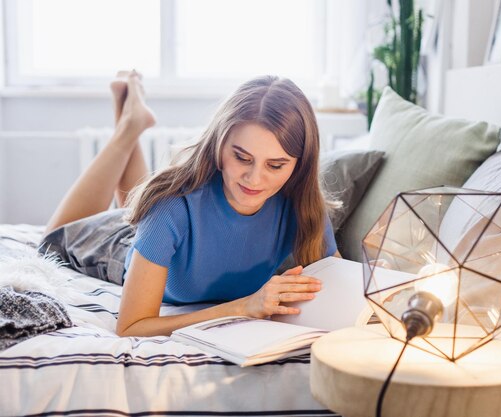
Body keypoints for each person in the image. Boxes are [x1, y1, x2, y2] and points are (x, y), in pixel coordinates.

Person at [39, 70, 340, 337]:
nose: (254, 179)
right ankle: (129, 126)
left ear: (299, 165)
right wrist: (243, 307)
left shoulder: (304, 208)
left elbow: (340, 280)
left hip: (162, 234)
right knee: (53, 237)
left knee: (141, 207)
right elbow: (131, 326)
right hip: (118, 249)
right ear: (219, 144)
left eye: (275, 165)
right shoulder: (171, 206)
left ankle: (130, 115)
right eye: (241, 157)